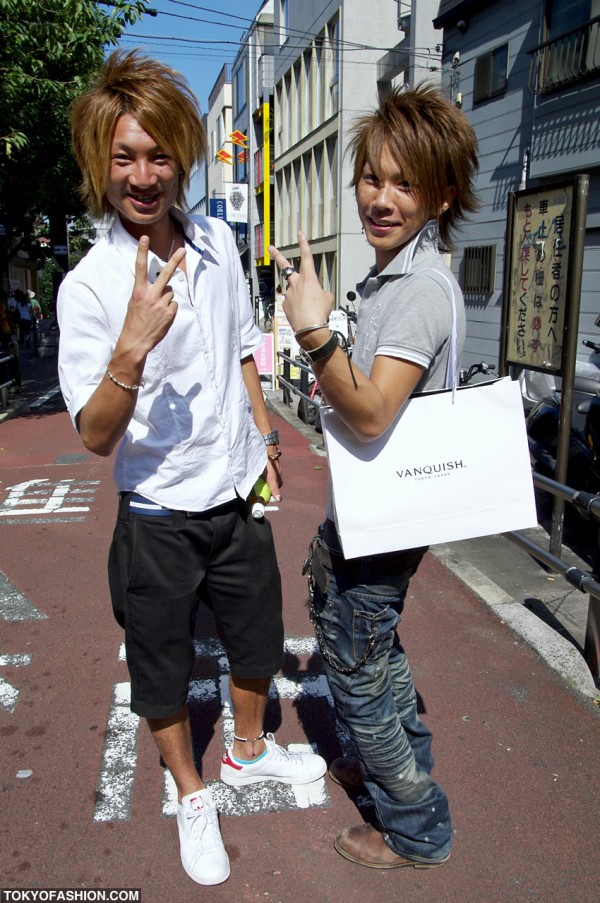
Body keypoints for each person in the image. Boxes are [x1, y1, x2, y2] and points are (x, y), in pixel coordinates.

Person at [58, 49, 326, 888]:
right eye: (124, 156)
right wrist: (131, 348)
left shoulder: (213, 237)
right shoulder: (89, 285)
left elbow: (244, 347)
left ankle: (247, 753)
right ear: (99, 163)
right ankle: (192, 791)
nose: (143, 175)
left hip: (234, 493)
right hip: (157, 513)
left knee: (256, 646)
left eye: (159, 153)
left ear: (183, 155)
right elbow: (97, 433)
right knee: (161, 671)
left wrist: (264, 439)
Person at [269, 84, 478, 871]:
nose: (381, 198)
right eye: (371, 177)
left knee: (356, 668)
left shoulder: (420, 289)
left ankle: (414, 825)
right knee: (368, 643)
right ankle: (403, 771)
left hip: (390, 513)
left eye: (405, 183)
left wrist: (313, 327)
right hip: (379, 507)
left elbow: (369, 413)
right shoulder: (396, 275)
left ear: (442, 194)